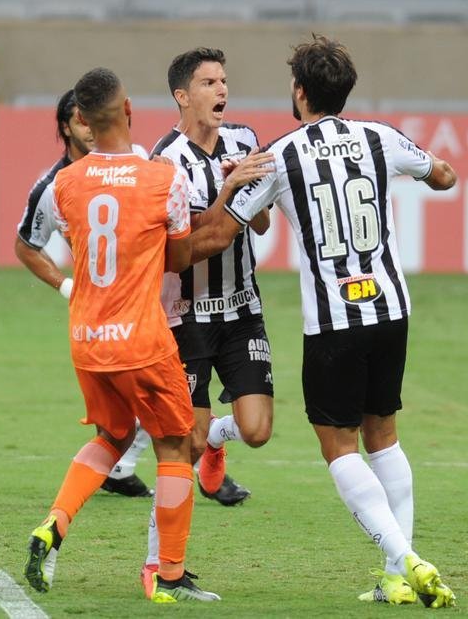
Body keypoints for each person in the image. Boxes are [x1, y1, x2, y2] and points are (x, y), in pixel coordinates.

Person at [189, 35, 459, 607]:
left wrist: (231, 185)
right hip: (390, 309)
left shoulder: (280, 156)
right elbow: (444, 177)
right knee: (383, 436)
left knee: (339, 447)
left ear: (300, 91)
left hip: (335, 321)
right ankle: (395, 577)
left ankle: (406, 559)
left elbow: (218, 235)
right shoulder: (381, 137)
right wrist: (432, 167)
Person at [24, 68, 220, 603]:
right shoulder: (164, 179)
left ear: (83, 121)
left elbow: (72, 239)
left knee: (112, 436)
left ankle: (55, 523)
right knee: (175, 444)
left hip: (88, 338)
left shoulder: (65, 184)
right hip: (142, 339)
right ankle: (169, 576)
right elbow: (178, 258)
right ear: (129, 110)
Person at [139, 47, 276, 595]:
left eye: (223, 80)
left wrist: (246, 192)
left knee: (257, 431)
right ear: (182, 95)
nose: (222, 90)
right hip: (187, 317)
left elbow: (262, 224)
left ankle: (221, 437)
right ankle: (157, 564)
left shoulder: (245, 140)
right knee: (183, 448)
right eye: (208, 82)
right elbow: (173, 249)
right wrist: (226, 192)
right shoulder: (163, 162)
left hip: (242, 308)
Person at [14, 89, 153, 499]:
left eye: (93, 117)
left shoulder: (137, 160)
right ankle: (129, 463)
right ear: (65, 127)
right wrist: (66, 285)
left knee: (173, 384)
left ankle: (179, 459)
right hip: (103, 308)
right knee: (137, 397)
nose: (90, 128)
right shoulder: (53, 186)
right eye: (80, 120)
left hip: (150, 293)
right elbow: (26, 245)